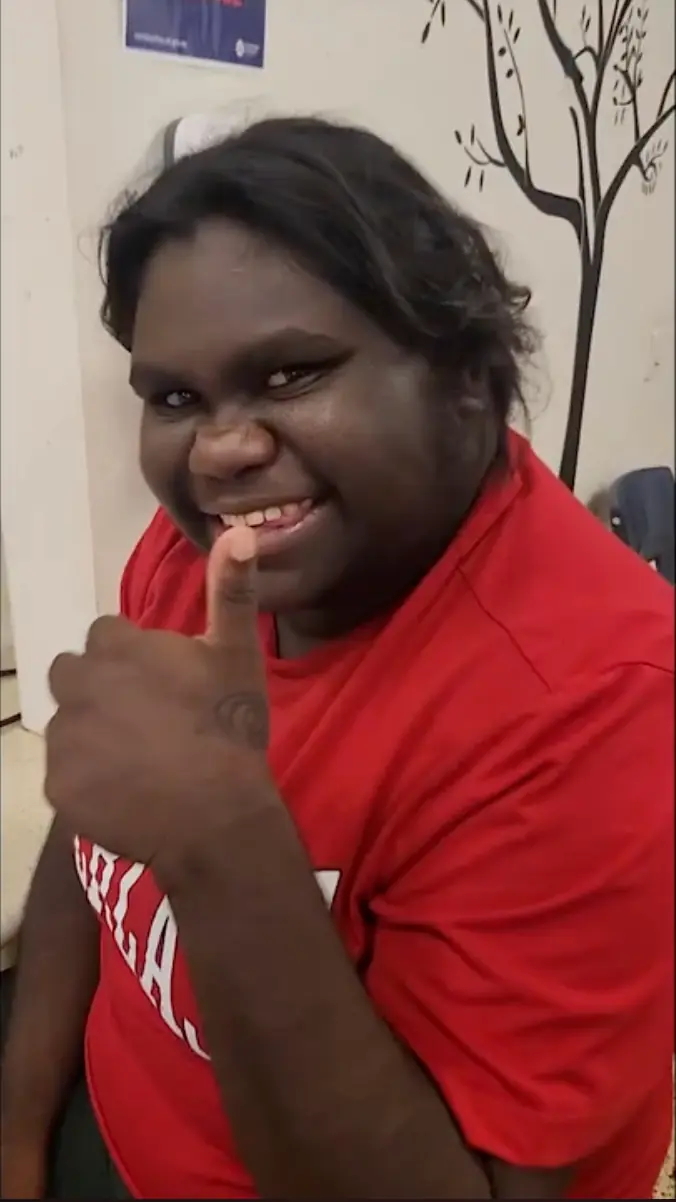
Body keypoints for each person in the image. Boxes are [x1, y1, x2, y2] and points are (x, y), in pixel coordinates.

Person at [0, 116, 673, 1202]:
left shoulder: (596, 704)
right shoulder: (209, 558)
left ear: (465, 374)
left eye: (290, 373)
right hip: (113, 1130)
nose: (220, 448)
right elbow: (98, 837)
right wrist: (19, 1138)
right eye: (175, 397)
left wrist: (226, 839)